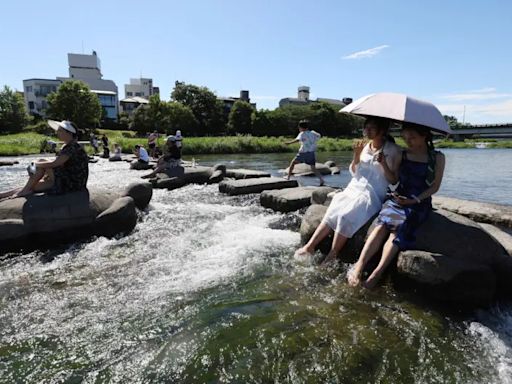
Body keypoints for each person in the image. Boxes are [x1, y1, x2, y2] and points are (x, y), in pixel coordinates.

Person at [348, 123, 446, 289]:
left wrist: (414, 200)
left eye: (412, 137)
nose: (408, 141)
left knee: (398, 230)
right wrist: (384, 164)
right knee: (381, 225)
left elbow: (434, 187)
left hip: (418, 202)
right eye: (405, 138)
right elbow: (393, 180)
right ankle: (359, 266)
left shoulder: (437, 157)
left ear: (425, 136)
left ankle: (376, 274)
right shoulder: (403, 154)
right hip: (398, 197)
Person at [295, 117, 402, 265]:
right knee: (334, 208)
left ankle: (333, 254)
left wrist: (383, 164)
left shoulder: (394, 150)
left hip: (373, 193)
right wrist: (357, 155)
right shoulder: (364, 146)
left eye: (372, 128)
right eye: (366, 128)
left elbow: (394, 181)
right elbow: (354, 171)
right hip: (354, 187)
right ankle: (310, 246)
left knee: (345, 215)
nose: (367, 131)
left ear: (382, 130)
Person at [0, 120, 89, 199]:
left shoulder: (73, 147)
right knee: (32, 186)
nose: (57, 132)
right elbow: (60, 165)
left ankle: (24, 191)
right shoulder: (68, 146)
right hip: (65, 180)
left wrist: (34, 165)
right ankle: (3, 195)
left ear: (69, 133)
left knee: (41, 162)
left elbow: (55, 164)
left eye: (60, 131)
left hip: (72, 183)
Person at [284, 119, 324, 186]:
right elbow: (319, 135)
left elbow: (297, 140)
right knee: (313, 168)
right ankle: (321, 180)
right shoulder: (312, 133)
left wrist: (288, 143)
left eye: (299, 127)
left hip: (303, 153)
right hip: (311, 153)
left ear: (301, 128)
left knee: (292, 163)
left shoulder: (302, 133)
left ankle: (288, 177)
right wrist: (313, 132)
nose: (298, 129)